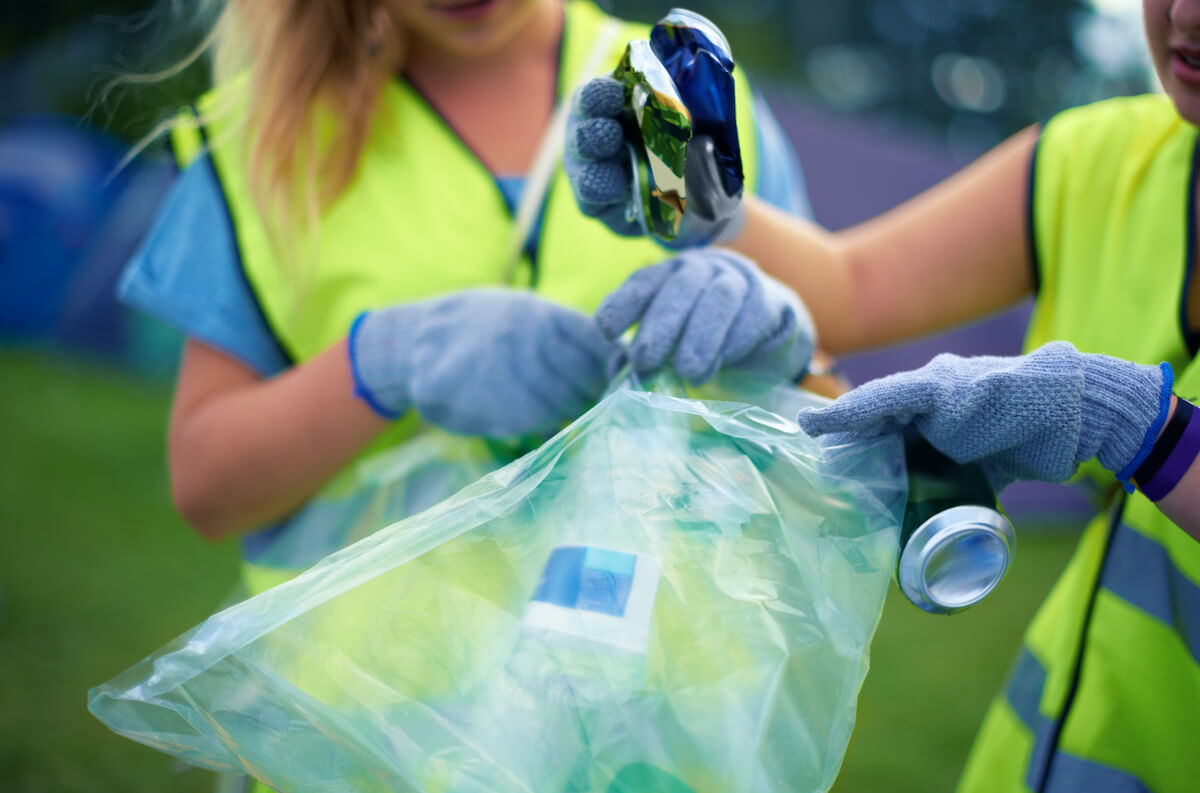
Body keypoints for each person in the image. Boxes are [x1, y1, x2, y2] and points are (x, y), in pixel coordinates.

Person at [563, 1, 1200, 790]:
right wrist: (694, 203)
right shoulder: (1106, 157)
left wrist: (1146, 430)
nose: (1184, 16)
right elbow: (851, 287)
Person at [120, 0, 817, 592]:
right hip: (364, 724)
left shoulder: (692, 93)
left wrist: (776, 346)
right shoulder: (263, 143)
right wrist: (386, 362)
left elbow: (821, 410)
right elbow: (208, 489)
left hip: (655, 716)